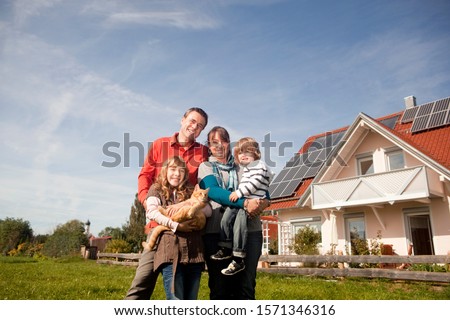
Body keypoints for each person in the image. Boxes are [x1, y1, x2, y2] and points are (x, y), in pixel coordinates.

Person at [124, 107, 209, 300]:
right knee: (141, 283)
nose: (195, 127)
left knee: (183, 290)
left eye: (200, 126)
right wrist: (148, 204)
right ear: (183, 119)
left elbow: (204, 184)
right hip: (159, 225)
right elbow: (145, 175)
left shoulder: (203, 152)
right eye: (193, 121)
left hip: (186, 229)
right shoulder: (159, 144)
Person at [198, 126, 270, 300]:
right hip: (217, 233)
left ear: (228, 142)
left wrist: (264, 201)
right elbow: (213, 191)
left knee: (246, 287)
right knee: (220, 288)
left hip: (250, 230)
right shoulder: (205, 166)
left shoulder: (244, 165)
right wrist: (245, 203)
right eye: (212, 142)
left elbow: (263, 190)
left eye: (221, 141)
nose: (217, 146)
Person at [146, 156, 211, 300]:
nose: (176, 174)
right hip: (171, 253)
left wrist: (190, 205)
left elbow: (208, 211)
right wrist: (176, 225)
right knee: (176, 300)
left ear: (185, 174)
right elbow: (151, 211)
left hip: (195, 254)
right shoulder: (156, 189)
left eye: (181, 170)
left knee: (191, 300)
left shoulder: (191, 190)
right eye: (173, 169)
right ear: (165, 171)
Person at [211, 137, 274, 276]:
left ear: (256, 154)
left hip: (249, 200)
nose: (243, 155)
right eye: (240, 152)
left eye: (248, 152)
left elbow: (255, 184)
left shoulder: (258, 166)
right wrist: (241, 197)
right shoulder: (246, 168)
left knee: (240, 223)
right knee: (226, 218)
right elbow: (212, 190)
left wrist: (238, 193)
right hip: (243, 200)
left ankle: (238, 258)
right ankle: (226, 247)